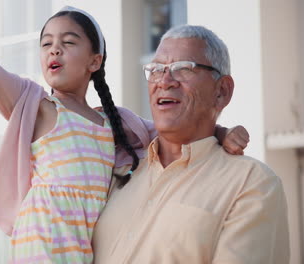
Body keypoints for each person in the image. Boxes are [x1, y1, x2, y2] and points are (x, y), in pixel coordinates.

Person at [0, 1, 250, 262]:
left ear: (94, 61)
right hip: (41, 249)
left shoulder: (115, 123)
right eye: (47, 44)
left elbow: (174, 131)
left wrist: (220, 131)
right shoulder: (35, 105)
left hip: (87, 251)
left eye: (68, 43)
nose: (54, 51)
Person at [92, 24, 290, 264]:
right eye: (155, 69)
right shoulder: (118, 170)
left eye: (183, 68)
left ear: (222, 92)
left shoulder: (251, 183)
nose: (164, 81)